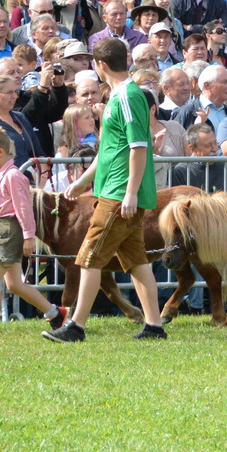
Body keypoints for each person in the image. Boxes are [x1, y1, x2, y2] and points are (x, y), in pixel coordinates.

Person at [43, 38, 169, 342]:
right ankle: (154, 325)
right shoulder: (119, 96)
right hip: (114, 190)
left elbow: (139, 148)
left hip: (118, 194)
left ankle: (76, 326)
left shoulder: (126, 96)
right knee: (137, 263)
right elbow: (109, 151)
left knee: (88, 256)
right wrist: (83, 181)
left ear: (100, 65)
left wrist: (130, 193)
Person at [0, 127, 66, 335]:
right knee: (13, 284)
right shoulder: (0, 174)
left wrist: (28, 237)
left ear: (0, 152)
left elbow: (23, 208)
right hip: (2, 228)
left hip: (10, 230)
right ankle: (55, 313)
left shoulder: (13, 176)